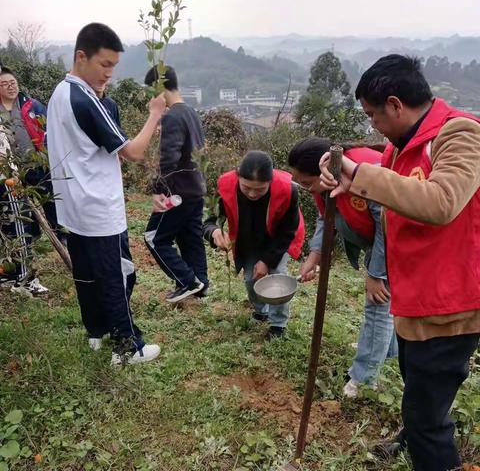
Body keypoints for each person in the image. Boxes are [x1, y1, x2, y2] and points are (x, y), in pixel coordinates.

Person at [319, 54, 480, 471]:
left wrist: (363, 175)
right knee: (417, 387)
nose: (372, 124)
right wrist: (349, 179)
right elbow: (389, 198)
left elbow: (443, 201)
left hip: (450, 303)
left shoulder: (459, 134)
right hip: (415, 296)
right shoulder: (399, 147)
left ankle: (426, 442)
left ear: (395, 104)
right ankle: (414, 433)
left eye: (373, 115)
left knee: (427, 418)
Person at [47, 23, 167, 365]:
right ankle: (128, 347)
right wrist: (154, 115)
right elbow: (132, 152)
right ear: (81, 57)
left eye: (113, 67)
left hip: (73, 206)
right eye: (104, 65)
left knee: (85, 273)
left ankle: (95, 334)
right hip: (99, 207)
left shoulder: (60, 93)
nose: (108, 74)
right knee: (117, 274)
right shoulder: (84, 97)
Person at [288, 137, 397, 397]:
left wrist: (376, 274)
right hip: (379, 242)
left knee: (378, 305)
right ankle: (388, 356)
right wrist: (314, 256)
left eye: (307, 182)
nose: (307, 189)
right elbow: (327, 217)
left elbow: (388, 225)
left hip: (398, 242)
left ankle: (364, 378)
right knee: (391, 306)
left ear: (323, 169)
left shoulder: (367, 172)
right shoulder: (326, 184)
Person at [203, 150, 305, 340]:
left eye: (260, 189)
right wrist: (215, 231)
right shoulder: (226, 185)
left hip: (277, 241)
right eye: (246, 187)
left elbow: (287, 231)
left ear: (270, 182)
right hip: (247, 240)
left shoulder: (287, 190)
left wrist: (267, 260)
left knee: (277, 278)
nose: (252, 193)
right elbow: (209, 220)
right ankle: (261, 312)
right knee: (251, 280)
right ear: (237, 177)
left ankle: (278, 324)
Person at [143, 65, 208, 303]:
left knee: (154, 237)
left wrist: (159, 190)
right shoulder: (190, 111)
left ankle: (187, 281)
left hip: (177, 192)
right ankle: (200, 287)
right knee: (190, 238)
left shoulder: (171, 116)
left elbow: (169, 158)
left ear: (158, 89)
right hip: (195, 189)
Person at [0, 65, 54, 295]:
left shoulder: (30, 105)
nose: (10, 87)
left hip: (36, 168)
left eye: (12, 82)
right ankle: (22, 279)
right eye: (4, 84)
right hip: (10, 177)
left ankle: (15, 274)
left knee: (29, 220)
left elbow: (48, 129)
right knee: (16, 223)